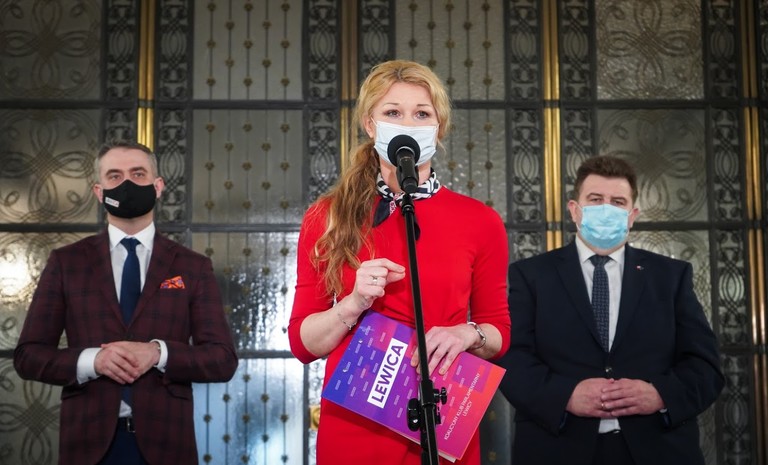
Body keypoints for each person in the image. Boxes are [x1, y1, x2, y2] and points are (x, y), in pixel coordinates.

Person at [288, 59, 510, 464]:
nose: (408, 124)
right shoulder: (327, 216)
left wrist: (468, 335)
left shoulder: (481, 221)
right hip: (357, 426)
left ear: (439, 127)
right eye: (393, 112)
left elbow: (499, 332)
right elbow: (303, 344)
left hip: (443, 418)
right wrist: (353, 304)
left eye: (422, 114)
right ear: (370, 125)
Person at [14, 141, 238, 465]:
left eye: (138, 174)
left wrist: (158, 353)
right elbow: (28, 356)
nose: (127, 184)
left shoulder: (193, 266)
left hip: (168, 444)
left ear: (158, 186)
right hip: (87, 445)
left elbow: (222, 359)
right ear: (99, 191)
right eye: (115, 176)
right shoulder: (66, 262)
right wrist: (93, 361)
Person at [496, 155, 724, 465]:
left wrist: (660, 394)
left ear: (632, 215)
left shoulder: (671, 277)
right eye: (595, 199)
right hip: (557, 447)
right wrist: (565, 396)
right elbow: (512, 358)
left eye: (618, 202)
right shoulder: (531, 275)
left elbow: (705, 366)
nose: (606, 209)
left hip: (658, 450)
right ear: (574, 209)